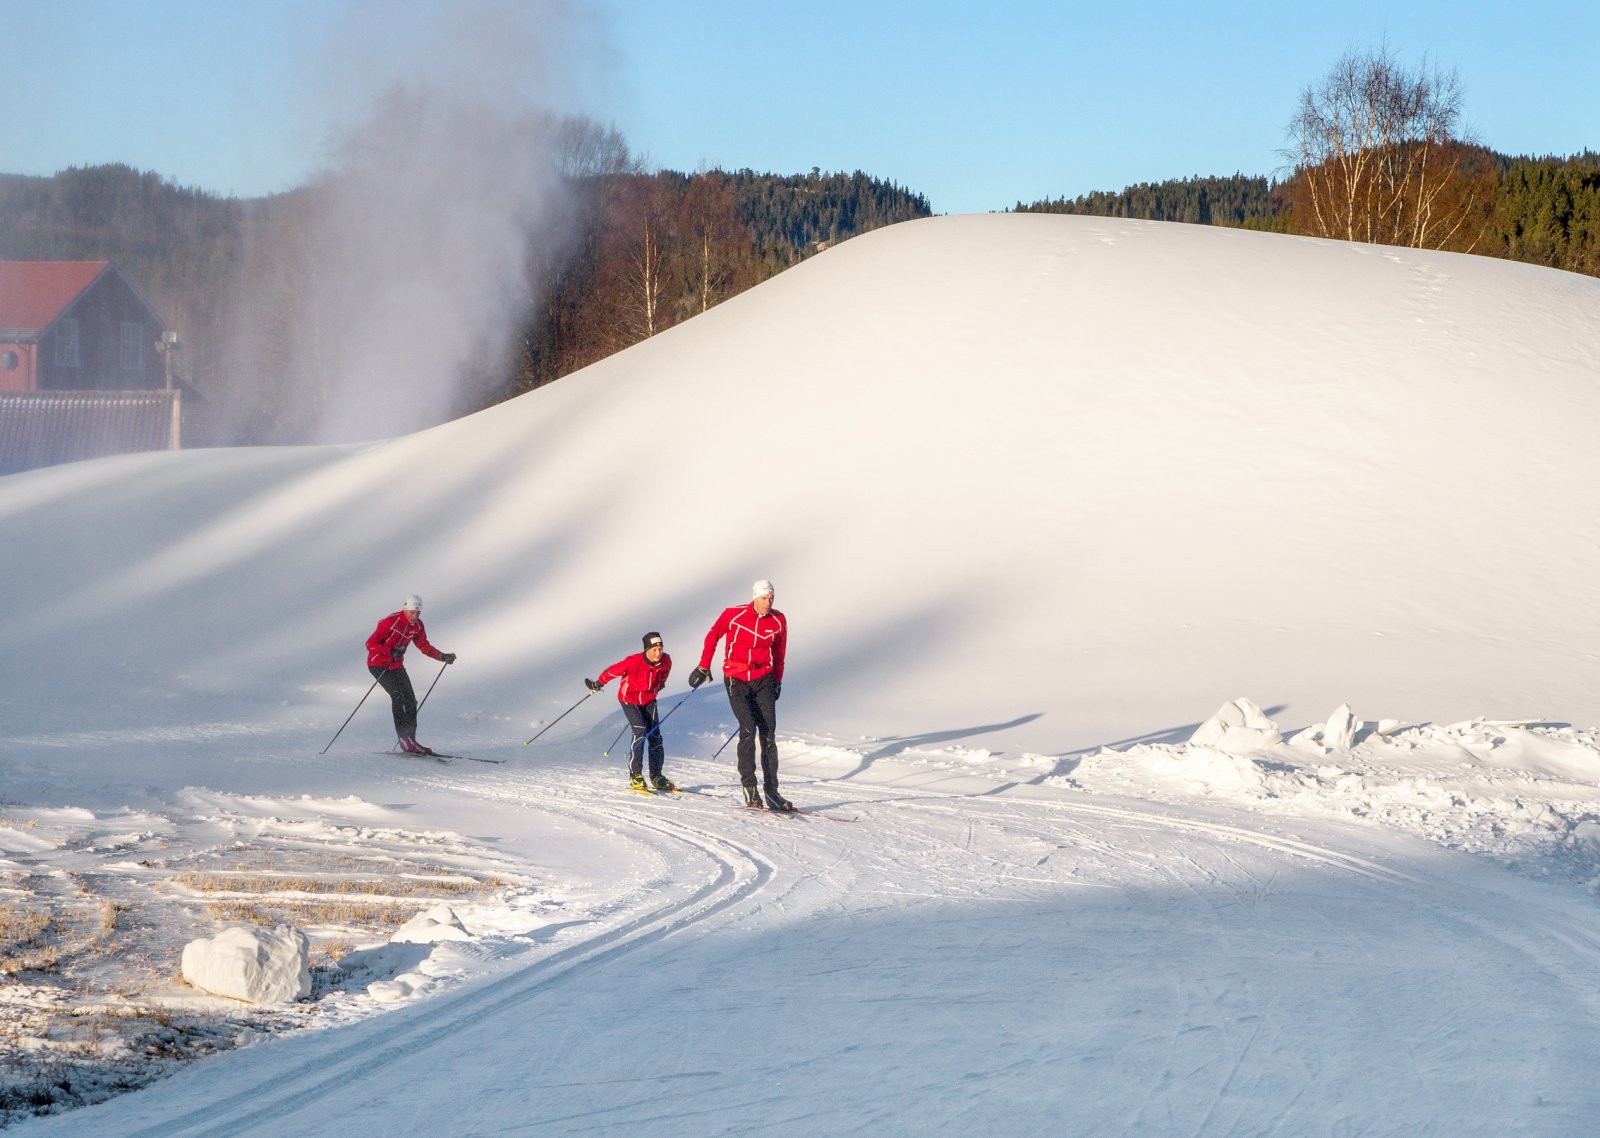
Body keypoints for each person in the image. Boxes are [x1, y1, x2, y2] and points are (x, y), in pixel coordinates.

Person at [688, 579, 790, 810]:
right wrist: (704, 666)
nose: (768, 602)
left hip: (764, 678)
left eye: (771, 598)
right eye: (764, 598)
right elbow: (713, 636)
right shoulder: (733, 615)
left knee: (768, 734)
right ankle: (750, 786)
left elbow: (779, 652)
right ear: (755, 597)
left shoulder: (778, 620)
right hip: (737, 678)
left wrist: (777, 680)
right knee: (748, 729)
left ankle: (772, 792)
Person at [366, 594, 456, 755]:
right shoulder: (390, 621)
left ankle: (411, 741)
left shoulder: (418, 626)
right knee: (397, 696)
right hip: (378, 664)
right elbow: (370, 643)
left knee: (411, 700)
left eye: (418, 613)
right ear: (405, 609)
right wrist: (389, 651)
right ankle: (404, 738)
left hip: (397, 665)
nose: (415, 616)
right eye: (412, 612)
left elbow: (423, 645)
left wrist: (442, 656)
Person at [587, 631, 675, 792]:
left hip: (648, 699)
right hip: (629, 699)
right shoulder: (633, 661)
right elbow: (613, 671)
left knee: (655, 735)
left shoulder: (666, 660)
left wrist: (659, 685)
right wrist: (598, 683)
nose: (658, 653)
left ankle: (656, 776)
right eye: (654, 650)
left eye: (660, 649)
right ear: (646, 649)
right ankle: (635, 775)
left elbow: (664, 674)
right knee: (640, 731)